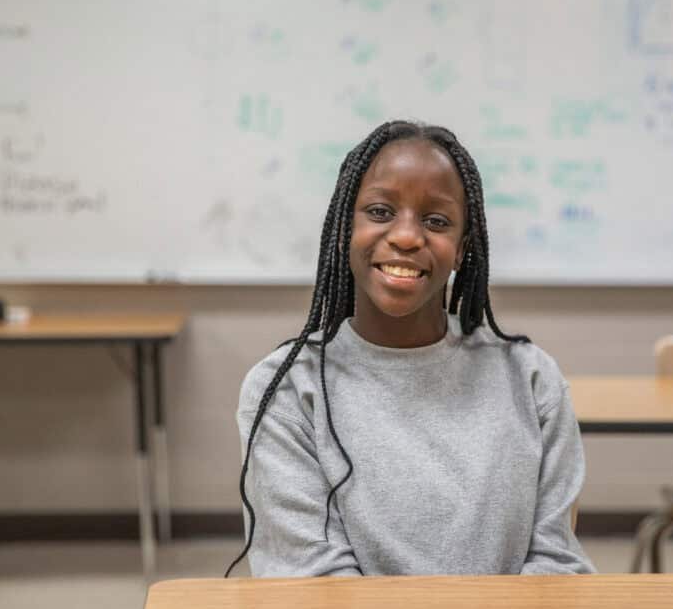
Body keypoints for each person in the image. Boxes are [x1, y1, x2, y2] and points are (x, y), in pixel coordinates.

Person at [227, 120, 595, 577]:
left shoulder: (530, 378)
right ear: (345, 228)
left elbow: (556, 566)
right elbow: (312, 585)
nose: (406, 236)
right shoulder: (288, 389)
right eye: (380, 211)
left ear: (462, 250)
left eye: (436, 221)